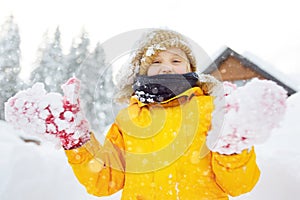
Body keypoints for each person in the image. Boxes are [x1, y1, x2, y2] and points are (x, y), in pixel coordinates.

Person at [5, 28, 261, 200]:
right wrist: (78, 144)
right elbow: (104, 181)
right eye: (156, 62)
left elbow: (237, 185)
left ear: (190, 68)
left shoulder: (212, 110)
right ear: (141, 71)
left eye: (176, 60)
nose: (166, 68)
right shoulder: (129, 120)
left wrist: (232, 148)